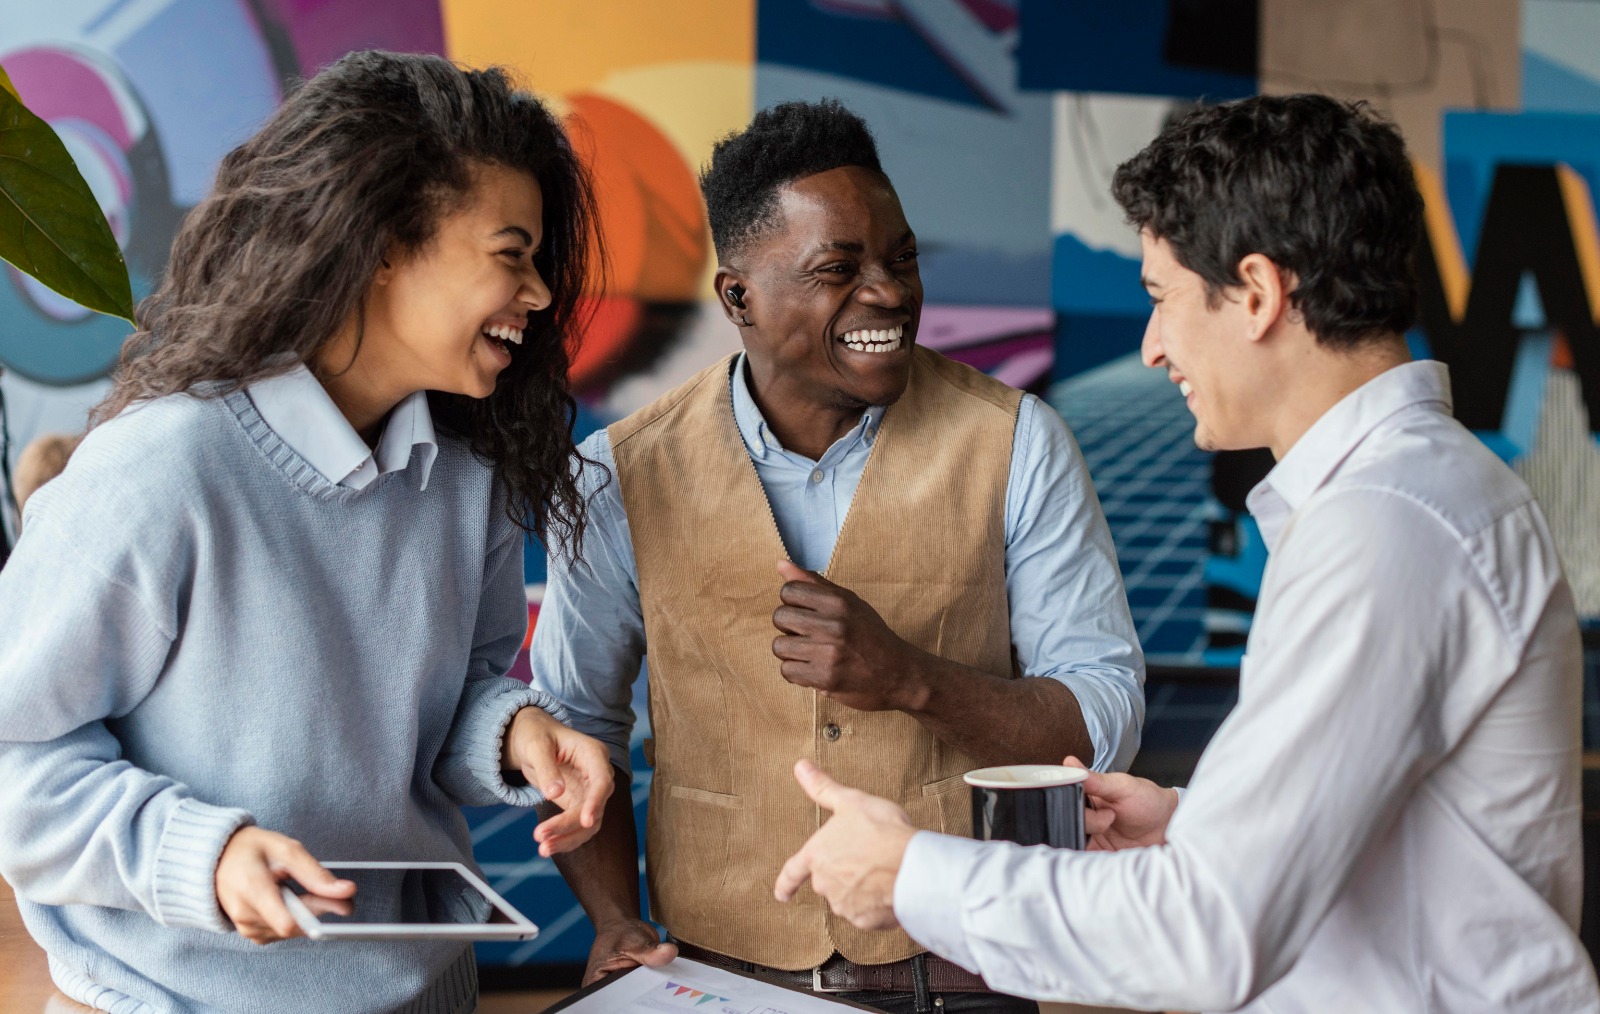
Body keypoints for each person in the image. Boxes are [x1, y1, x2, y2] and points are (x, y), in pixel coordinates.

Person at [774, 94, 1600, 1012]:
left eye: (1162, 298)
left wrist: (911, 879)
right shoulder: (1420, 496)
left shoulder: (1384, 528)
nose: (1153, 347)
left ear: (1256, 292)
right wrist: (1192, 824)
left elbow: (1210, 934)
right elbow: (1398, 834)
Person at [0, 51, 617, 1014]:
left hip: (430, 992)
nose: (539, 295)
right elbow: (15, 760)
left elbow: (444, 706)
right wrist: (203, 856)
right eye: (512, 254)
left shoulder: (466, 480)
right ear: (381, 243)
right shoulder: (160, 471)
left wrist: (512, 733)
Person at [531, 99, 1144, 1014]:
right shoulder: (615, 474)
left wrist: (912, 678)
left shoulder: (1019, 443)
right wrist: (615, 918)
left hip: (962, 968)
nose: (890, 293)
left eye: (901, 259)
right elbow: (575, 727)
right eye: (838, 269)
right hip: (717, 971)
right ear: (738, 295)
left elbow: (1106, 715)